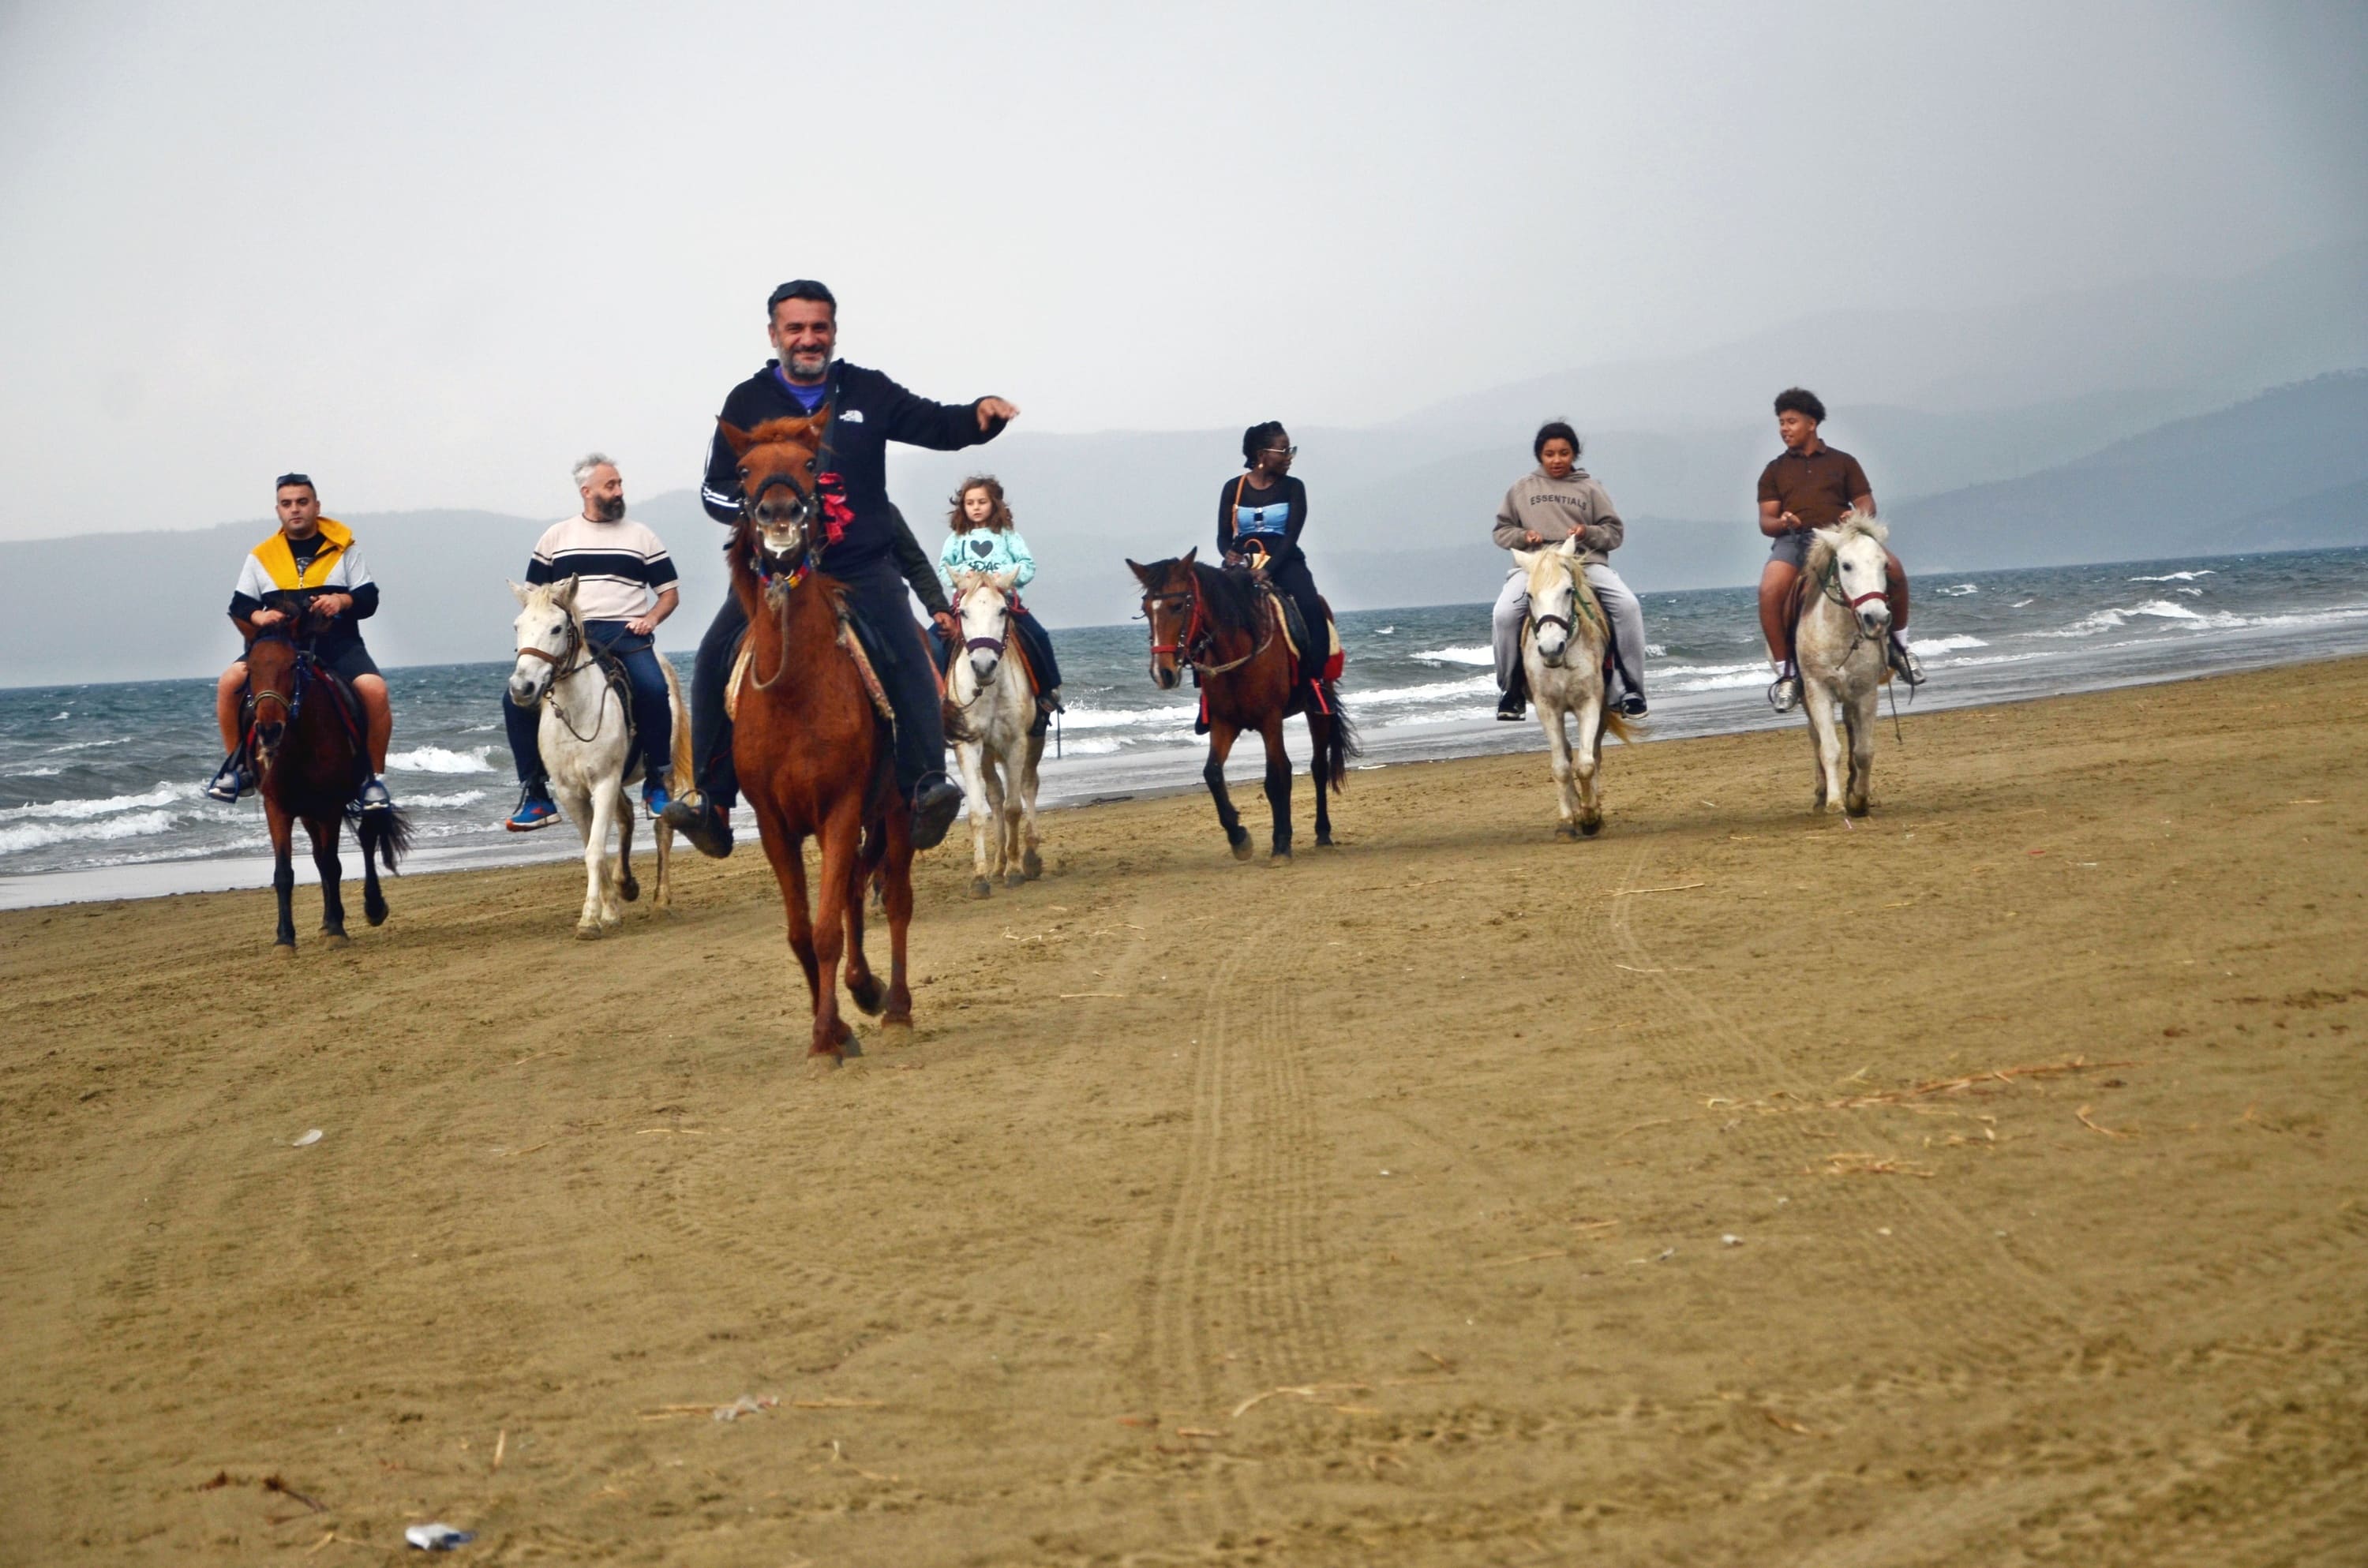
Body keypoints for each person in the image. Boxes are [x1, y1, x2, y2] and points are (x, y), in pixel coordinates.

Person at [663, 279, 1019, 858]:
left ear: (833, 331)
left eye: (819, 327)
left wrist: (981, 419)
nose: (809, 338)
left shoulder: (867, 391)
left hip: (861, 567)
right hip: (774, 575)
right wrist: (761, 512)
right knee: (710, 657)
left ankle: (926, 784)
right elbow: (714, 490)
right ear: (774, 333)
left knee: (910, 652)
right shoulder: (746, 401)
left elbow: (935, 424)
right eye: (796, 328)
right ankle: (712, 801)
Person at [503, 453, 681, 830]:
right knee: (513, 699)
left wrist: (650, 619)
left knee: (652, 688)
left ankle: (657, 782)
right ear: (587, 492)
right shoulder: (556, 537)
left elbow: (669, 593)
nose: (618, 491)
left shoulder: (642, 536)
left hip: (625, 633)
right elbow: (535, 599)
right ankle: (535, 794)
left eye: (619, 484)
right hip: (571, 637)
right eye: (610, 485)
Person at [205, 473, 396, 810]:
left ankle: (372, 780)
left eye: (302, 502)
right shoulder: (261, 556)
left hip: (337, 644)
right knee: (229, 682)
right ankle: (239, 768)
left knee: (374, 689)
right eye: (287, 504)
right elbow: (240, 605)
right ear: (278, 510)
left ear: (316, 506)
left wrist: (342, 602)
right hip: (278, 648)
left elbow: (369, 598)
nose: (295, 509)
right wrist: (259, 618)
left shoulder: (344, 548)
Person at [1755, 387, 1924, 712]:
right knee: (1769, 590)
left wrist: (1856, 515)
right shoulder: (1774, 470)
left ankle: (1901, 650)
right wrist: (1783, 521)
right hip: (1796, 539)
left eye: (1791, 422)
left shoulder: (1844, 462)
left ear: (1812, 423)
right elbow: (1766, 520)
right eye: (1781, 423)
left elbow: (1866, 504)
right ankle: (1787, 674)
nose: (1784, 429)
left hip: (1843, 538)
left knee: (1896, 571)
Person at [1489, 422, 1649, 720]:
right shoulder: (1522, 488)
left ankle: (1630, 687)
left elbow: (1614, 534)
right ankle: (1510, 690)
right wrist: (1524, 537)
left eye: (1564, 453)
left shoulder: (1590, 488)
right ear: (1540, 456)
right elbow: (1501, 531)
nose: (1557, 460)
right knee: (1504, 615)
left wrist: (1587, 532)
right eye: (1549, 454)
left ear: (1574, 454)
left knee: (1628, 607)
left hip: (1584, 563)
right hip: (1537, 566)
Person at [932, 475, 1063, 732]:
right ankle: (936, 699)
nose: (976, 507)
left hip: (1005, 604)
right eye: (970, 503)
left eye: (982, 501)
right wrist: (963, 575)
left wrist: (1003, 577)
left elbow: (1027, 565)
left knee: (1038, 635)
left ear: (994, 504)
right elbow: (943, 569)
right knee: (934, 642)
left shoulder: (1008, 536)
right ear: (963, 507)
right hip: (968, 606)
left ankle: (1048, 691)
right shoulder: (956, 539)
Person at [1218, 421, 1329, 683]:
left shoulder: (1294, 487)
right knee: (1211, 611)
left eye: (1291, 450)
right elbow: (1223, 536)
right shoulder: (1233, 488)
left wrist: (1268, 571)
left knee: (1311, 607)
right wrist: (1227, 554)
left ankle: (1316, 682)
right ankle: (1208, 697)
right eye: (1284, 450)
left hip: (1284, 560)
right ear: (1261, 455)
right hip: (1244, 560)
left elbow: (1291, 537)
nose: (1289, 457)